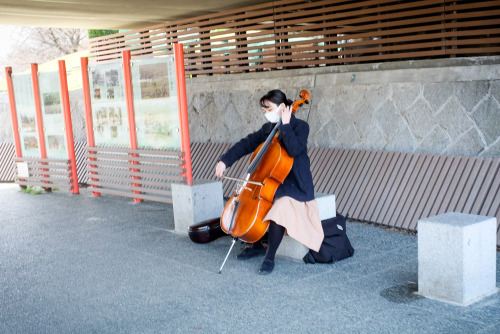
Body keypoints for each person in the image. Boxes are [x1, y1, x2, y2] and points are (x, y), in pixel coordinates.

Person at [215, 89, 324, 275]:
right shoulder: (267, 129)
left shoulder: (301, 127)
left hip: (295, 184)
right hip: (271, 180)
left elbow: (294, 150)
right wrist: (225, 161)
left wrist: (286, 126)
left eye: (269, 109)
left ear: (283, 107)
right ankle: (256, 243)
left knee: (279, 207)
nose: (266, 114)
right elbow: (247, 143)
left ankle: (269, 257)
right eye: (264, 110)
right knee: (257, 199)